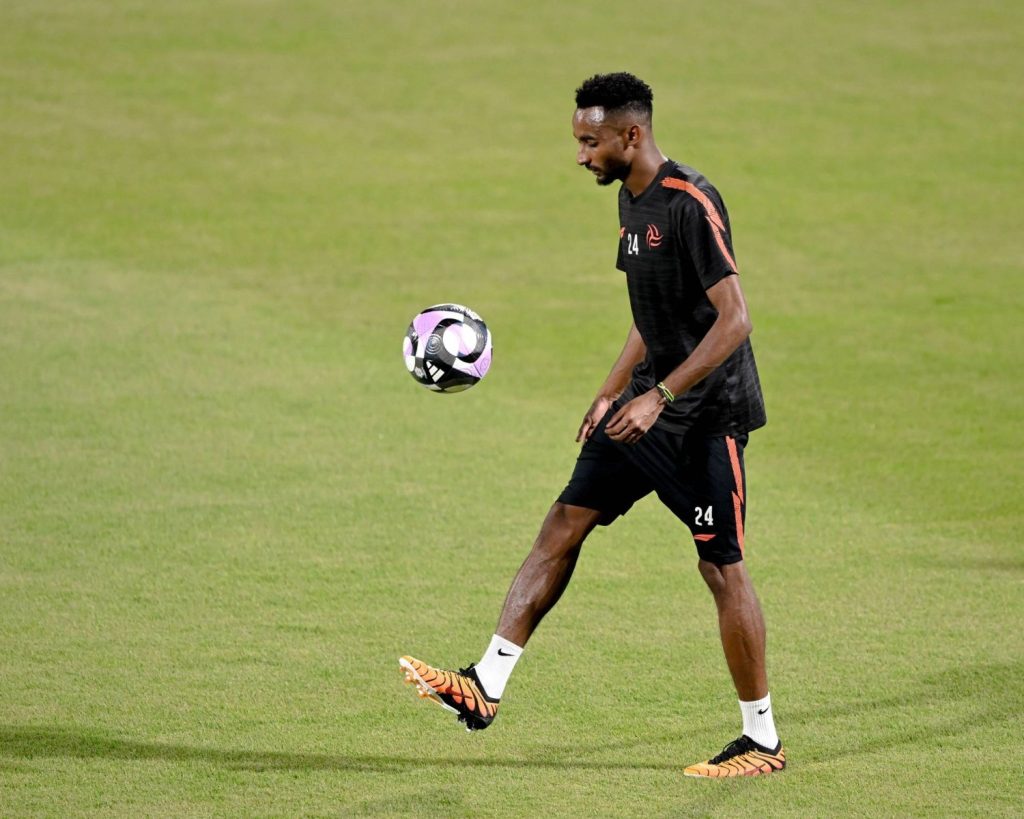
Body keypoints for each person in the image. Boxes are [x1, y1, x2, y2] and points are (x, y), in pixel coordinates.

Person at [399, 72, 785, 778]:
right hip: (643, 406)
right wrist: (611, 391)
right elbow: (650, 313)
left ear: (631, 135)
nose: (580, 156)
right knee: (564, 521)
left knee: (720, 567)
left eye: (590, 142)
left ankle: (762, 741)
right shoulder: (630, 200)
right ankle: (485, 684)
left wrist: (659, 396)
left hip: (706, 419)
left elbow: (736, 320)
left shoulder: (690, 202)